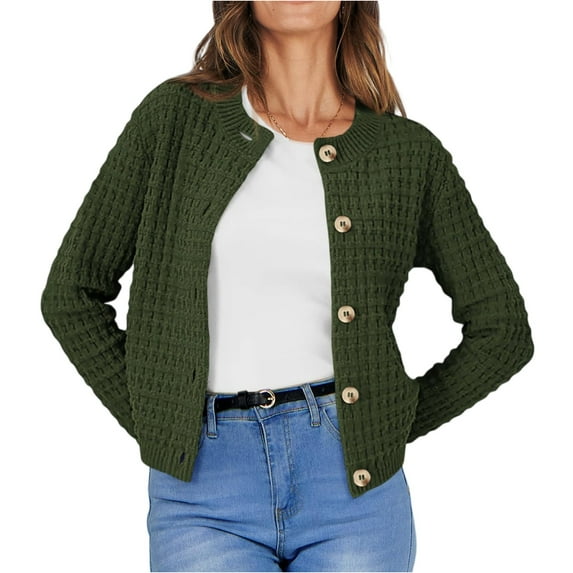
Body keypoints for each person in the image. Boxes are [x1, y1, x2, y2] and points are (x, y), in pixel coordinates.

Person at [40, 1, 535, 571]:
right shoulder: (175, 120)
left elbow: (503, 330)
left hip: (353, 493)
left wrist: (387, 420)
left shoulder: (405, 154)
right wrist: (158, 416)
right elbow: (71, 293)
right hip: (203, 491)